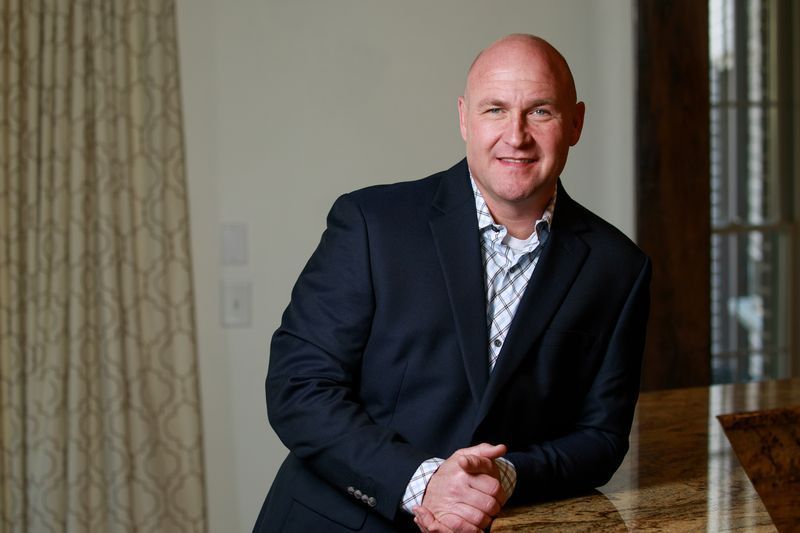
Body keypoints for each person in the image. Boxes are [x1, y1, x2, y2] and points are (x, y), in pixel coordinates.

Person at [253, 34, 651, 533]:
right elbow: (299, 386)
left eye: (540, 111)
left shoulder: (619, 268)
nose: (516, 136)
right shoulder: (372, 223)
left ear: (575, 123)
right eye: (495, 110)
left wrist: (505, 476)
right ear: (465, 118)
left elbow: (600, 438)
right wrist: (423, 482)